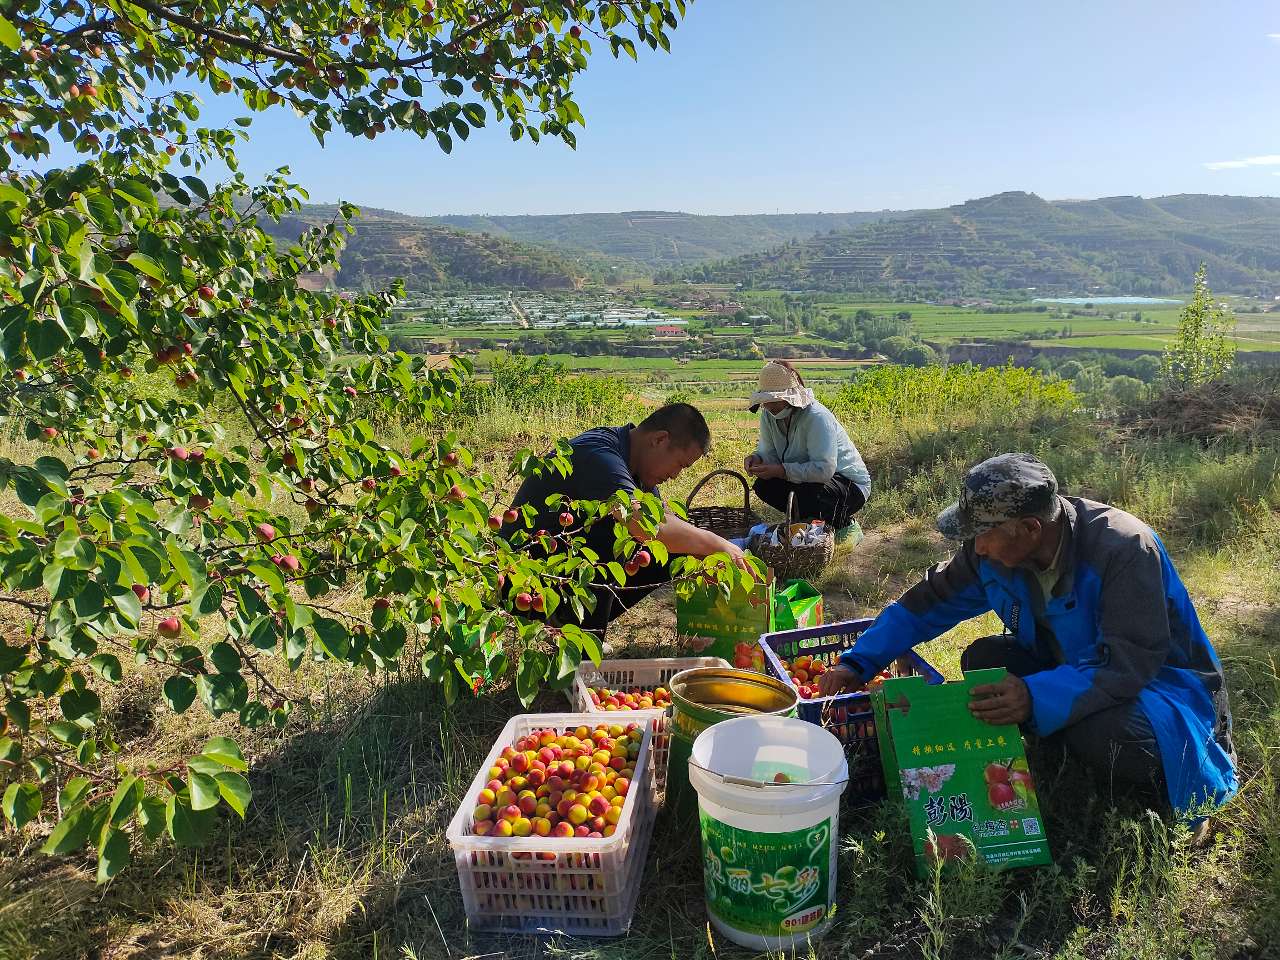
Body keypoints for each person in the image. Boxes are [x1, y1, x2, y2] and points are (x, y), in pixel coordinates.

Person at [817, 453, 1237, 814]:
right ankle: (1057, 729)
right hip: (1072, 665)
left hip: (1160, 690)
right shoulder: (993, 554)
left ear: (1032, 529)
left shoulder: (1124, 549)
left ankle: (1159, 789)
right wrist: (859, 660)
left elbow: (1129, 664)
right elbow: (928, 602)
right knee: (984, 661)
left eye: (984, 534)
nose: (977, 548)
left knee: (1103, 735)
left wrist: (1034, 695)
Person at [504, 402, 749, 635]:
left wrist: (707, 557)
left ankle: (575, 627)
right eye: (680, 465)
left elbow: (665, 522)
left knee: (674, 549)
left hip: (560, 569)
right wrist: (719, 544)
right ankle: (569, 631)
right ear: (659, 440)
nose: (675, 475)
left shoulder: (637, 466)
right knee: (617, 534)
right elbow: (643, 522)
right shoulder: (599, 454)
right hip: (522, 579)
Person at [743, 360, 870, 539]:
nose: (769, 406)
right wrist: (758, 459)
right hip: (807, 479)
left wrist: (781, 471)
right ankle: (807, 520)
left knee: (812, 495)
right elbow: (769, 452)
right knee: (764, 486)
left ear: (788, 398)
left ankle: (842, 523)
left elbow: (824, 470)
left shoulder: (816, 417)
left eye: (774, 400)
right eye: (767, 401)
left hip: (848, 485)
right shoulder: (769, 416)